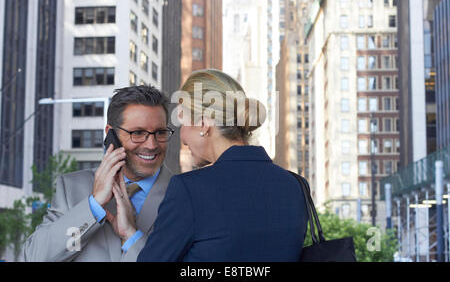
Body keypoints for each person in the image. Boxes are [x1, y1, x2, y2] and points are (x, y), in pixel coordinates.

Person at [137, 69, 308, 262]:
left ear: (203, 124)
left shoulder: (189, 190)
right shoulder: (296, 186)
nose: (182, 138)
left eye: (182, 124)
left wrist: (131, 235)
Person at [23, 85, 175, 261]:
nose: (151, 145)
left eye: (160, 132)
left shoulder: (185, 194)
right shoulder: (71, 188)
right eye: (138, 133)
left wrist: (132, 238)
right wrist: (93, 206)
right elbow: (35, 257)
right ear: (111, 134)